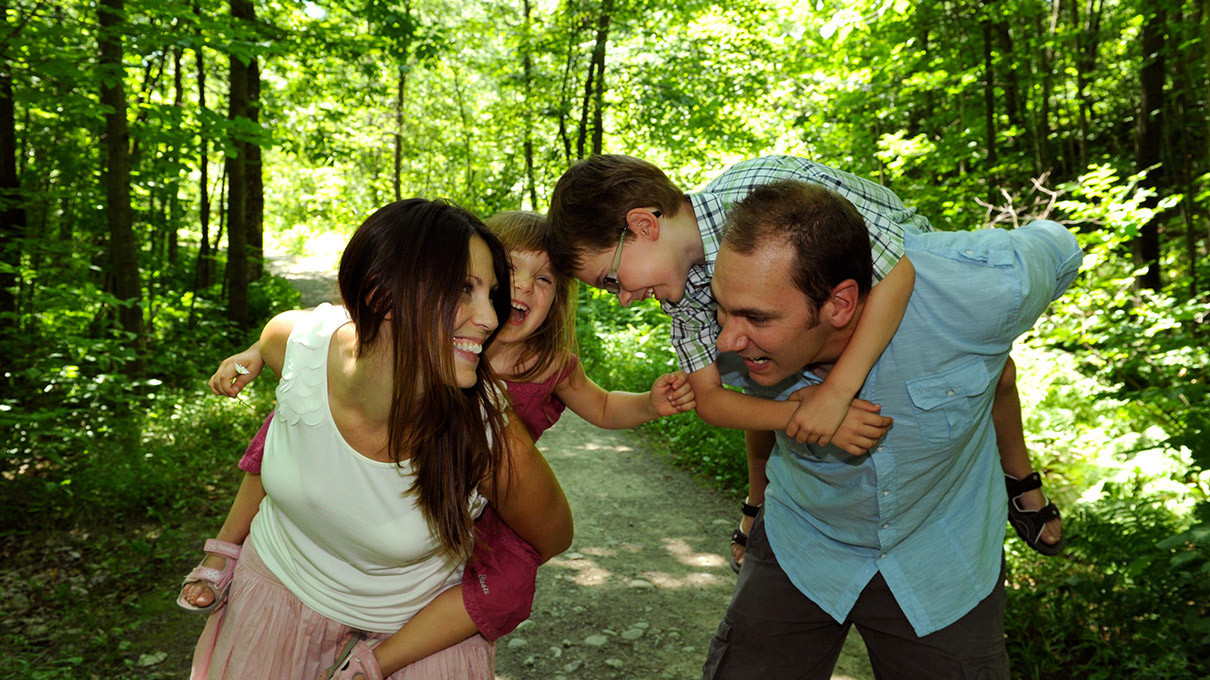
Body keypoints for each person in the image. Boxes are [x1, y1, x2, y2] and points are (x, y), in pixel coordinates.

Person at [182, 210, 694, 677]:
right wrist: (252, 354)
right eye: (469, 287)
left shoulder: (499, 417)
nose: (491, 315)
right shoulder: (307, 344)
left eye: (542, 280)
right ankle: (226, 550)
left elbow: (590, 433)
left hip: (460, 544)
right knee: (285, 426)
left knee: (503, 583)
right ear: (384, 297)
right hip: (284, 578)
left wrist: (648, 405)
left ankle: (377, 662)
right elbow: (297, 343)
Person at [544, 154, 1065, 568]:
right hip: (824, 326)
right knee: (753, 373)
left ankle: (1017, 474)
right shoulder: (682, 295)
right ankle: (761, 498)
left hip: (904, 278)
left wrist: (835, 396)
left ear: (643, 225)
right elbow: (710, 400)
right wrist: (800, 412)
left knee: (990, 371)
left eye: (611, 280)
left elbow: (896, 270)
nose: (623, 299)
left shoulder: (763, 194)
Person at [699, 180, 1081, 678]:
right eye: (722, 309)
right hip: (803, 545)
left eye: (756, 318)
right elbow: (756, 409)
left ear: (840, 304)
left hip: (943, 558)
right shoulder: (734, 329)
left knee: (993, 372)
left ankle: (1021, 485)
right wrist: (755, 506)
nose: (726, 338)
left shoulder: (982, 288)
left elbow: (1061, 245)